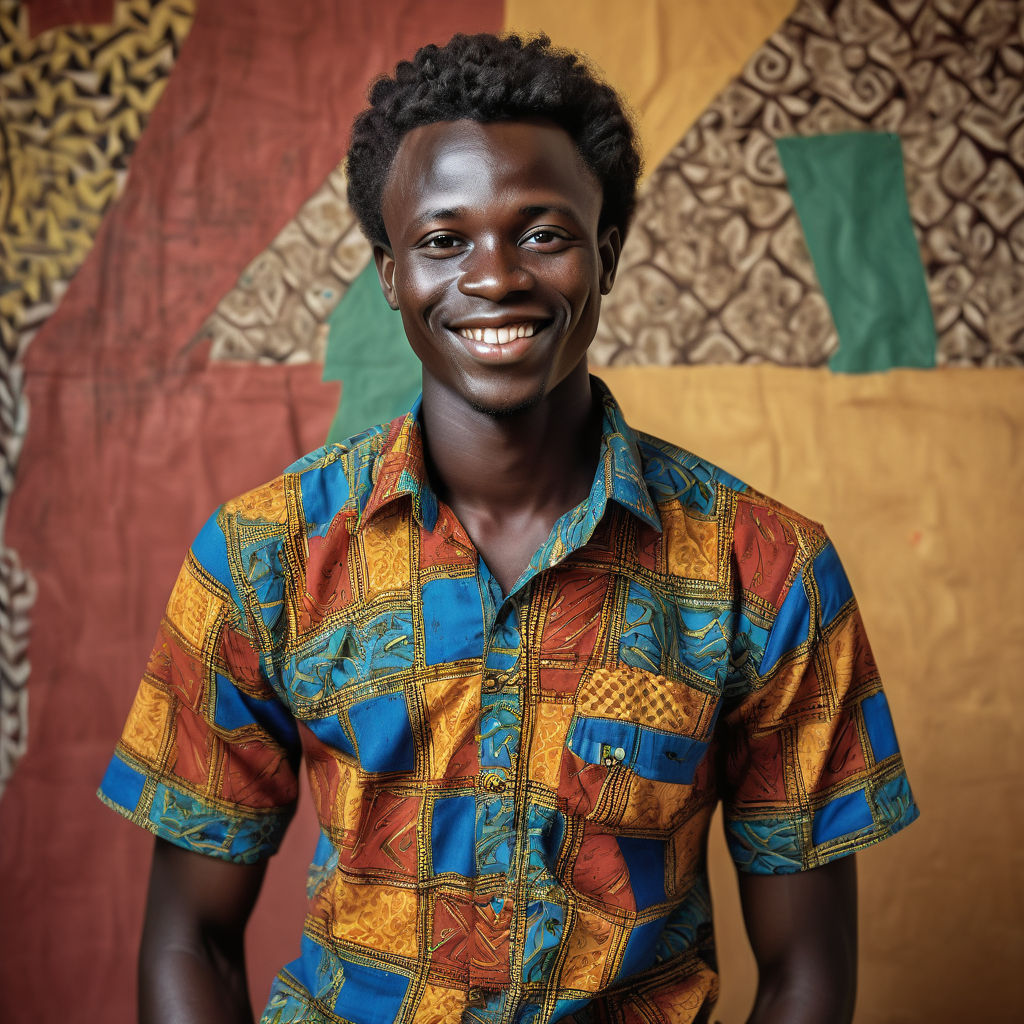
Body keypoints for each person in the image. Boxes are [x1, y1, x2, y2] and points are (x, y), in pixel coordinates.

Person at [98, 32, 918, 1024]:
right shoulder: (262, 557)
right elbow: (189, 939)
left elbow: (807, 972)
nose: (496, 277)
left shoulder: (768, 569)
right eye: (444, 240)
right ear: (390, 272)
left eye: (541, 233)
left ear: (605, 254)